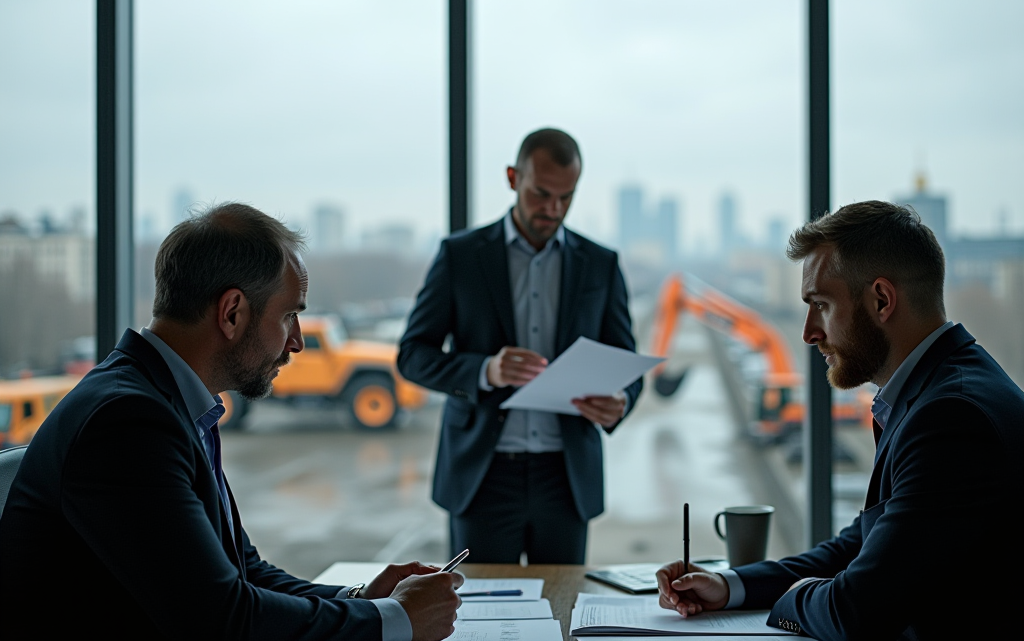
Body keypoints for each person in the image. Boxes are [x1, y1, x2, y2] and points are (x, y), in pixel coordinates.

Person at [0, 203, 462, 640]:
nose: (297, 341)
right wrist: (393, 622)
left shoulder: (167, 401)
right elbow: (222, 620)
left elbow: (243, 570)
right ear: (232, 312)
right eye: (289, 316)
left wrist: (363, 598)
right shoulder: (128, 423)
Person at [656, 200, 1023, 640]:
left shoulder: (952, 418)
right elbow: (863, 544)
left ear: (882, 300)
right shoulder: (939, 391)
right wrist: (732, 586)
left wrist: (793, 595)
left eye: (822, 305)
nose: (810, 331)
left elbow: (856, 611)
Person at [398, 128, 643, 564]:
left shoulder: (601, 265)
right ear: (513, 177)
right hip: (482, 475)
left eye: (566, 198)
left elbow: (627, 363)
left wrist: (620, 400)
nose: (553, 209)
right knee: (478, 620)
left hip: (565, 479)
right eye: (541, 193)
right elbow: (413, 355)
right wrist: (485, 370)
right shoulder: (460, 256)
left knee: (562, 613)